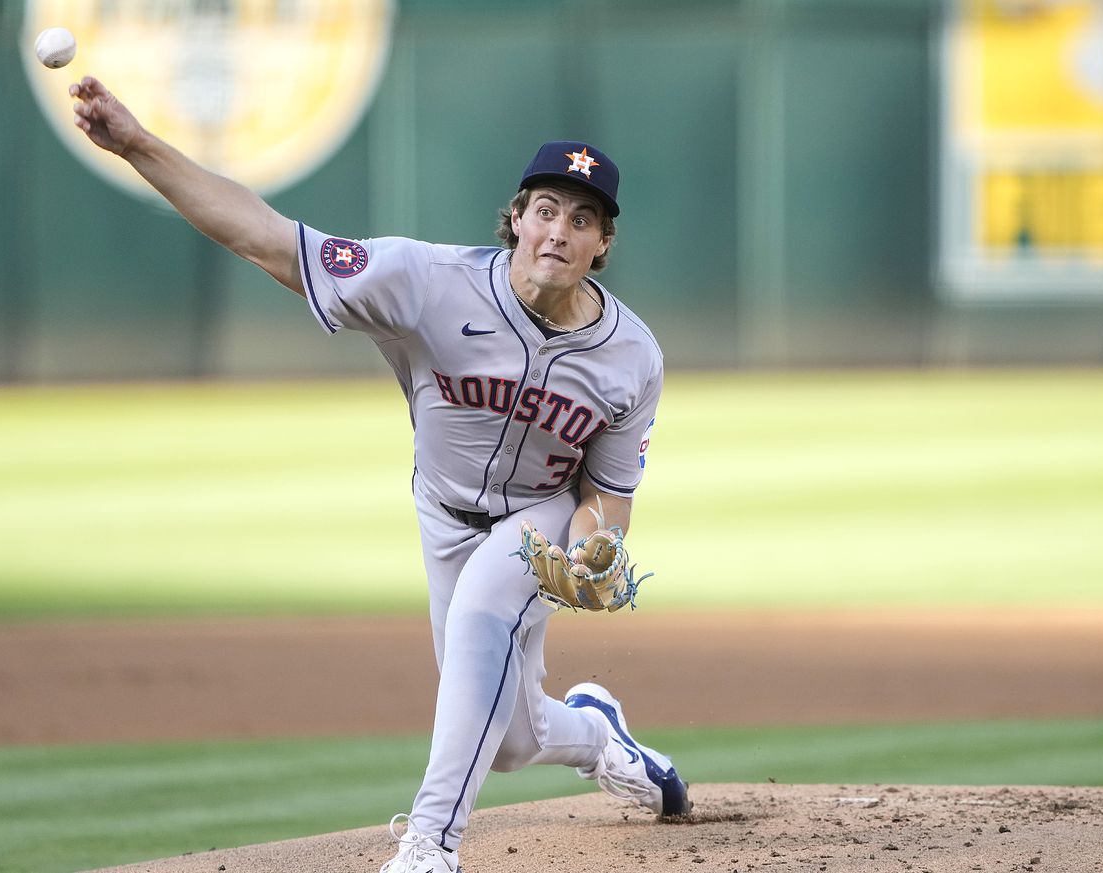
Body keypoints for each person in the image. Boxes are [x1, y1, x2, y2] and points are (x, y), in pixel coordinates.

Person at [69, 75, 689, 873]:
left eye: (582, 218)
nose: (558, 231)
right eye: (545, 209)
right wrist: (137, 145)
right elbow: (266, 238)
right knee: (509, 740)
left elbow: (608, 495)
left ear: (603, 243)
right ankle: (600, 733)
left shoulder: (631, 356)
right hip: (444, 515)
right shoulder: (425, 281)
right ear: (516, 218)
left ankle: (430, 845)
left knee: (481, 616)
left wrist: (591, 547)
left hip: (539, 519)